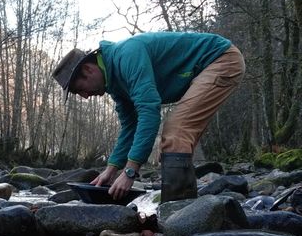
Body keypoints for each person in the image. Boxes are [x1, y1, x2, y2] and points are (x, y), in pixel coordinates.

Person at [51, 32, 245, 203]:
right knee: (174, 141)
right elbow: (130, 126)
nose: (85, 97)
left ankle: (178, 213)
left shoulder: (127, 55)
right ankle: (184, 208)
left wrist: (130, 171)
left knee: (175, 132)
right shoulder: (114, 83)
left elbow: (149, 112)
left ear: (88, 70)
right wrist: (111, 168)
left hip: (220, 59)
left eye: (80, 90)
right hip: (204, 68)